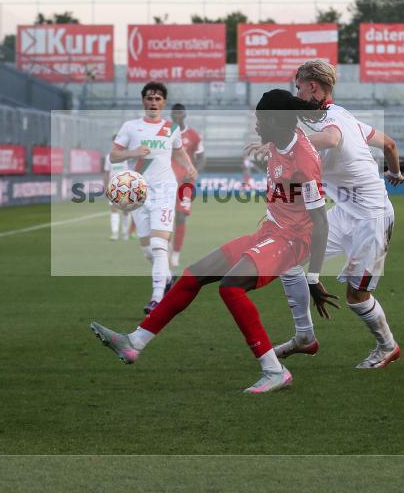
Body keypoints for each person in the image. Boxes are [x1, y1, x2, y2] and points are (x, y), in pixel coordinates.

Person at [90, 89, 329, 394]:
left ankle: (274, 370)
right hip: (270, 232)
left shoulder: (304, 160)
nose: (255, 126)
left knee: (231, 287)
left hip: (294, 240)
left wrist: (314, 277)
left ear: (275, 121)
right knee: (193, 274)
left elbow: (320, 221)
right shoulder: (279, 139)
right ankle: (134, 342)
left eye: (259, 121)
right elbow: (277, 158)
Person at [270, 60, 404, 370]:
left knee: (356, 298)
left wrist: (282, 146)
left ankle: (388, 347)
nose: (297, 94)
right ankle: (305, 338)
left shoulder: (332, 119)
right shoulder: (345, 116)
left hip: (372, 219)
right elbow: (389, 143)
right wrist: (395, 172)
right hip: (344, 212)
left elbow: (332, 140)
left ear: (312, 87)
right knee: (289, 259)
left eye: (298, 88)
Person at [108, 82, 198, 314]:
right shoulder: (130, 127)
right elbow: (114, 154)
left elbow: (178, 150)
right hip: (137, 191)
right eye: (149, 98)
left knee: (159, 245)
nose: (153, 102)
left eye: (158, 99)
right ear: (143, 101)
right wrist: (132, 153)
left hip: (165, 189)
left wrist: (189, 166)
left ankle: (157, 298)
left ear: (164, 102)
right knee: (148, 249)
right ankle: (167, 278)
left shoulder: (171, 128)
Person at [169, 103, 206, 268]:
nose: (177, 114)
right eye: (174, 112)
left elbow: (202, 157)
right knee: (166, 216)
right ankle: (166, 248)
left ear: (184, 114)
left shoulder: (193, 135)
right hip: (167, 181)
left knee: (181, 216)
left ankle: (176, 253)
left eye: (179, 112)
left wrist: (194, 172)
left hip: (186, 182)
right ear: (171, 114)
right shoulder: (165, 134)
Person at [103, 135, 132, 241]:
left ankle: (125, 233)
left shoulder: (128, 156)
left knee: (126, 210)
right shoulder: (109, 157)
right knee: (114, 209)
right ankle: (114, 233)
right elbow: (106, 173)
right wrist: (106, 186)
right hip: (113, 186)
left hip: (126, 187)